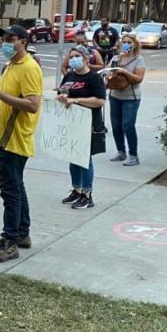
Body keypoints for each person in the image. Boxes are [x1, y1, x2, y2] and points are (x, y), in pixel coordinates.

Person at [0, 25, 43, 262]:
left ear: (23, 42)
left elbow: (32, 104)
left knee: (10, 190)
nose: (6, 43)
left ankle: (10, 241)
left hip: (13, 139)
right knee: (16, 186)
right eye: (4, 39)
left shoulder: (28, 67)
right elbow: (12, 99)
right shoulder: (12, 65)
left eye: (11, 39)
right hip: (3, 138)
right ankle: (21, 233)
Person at [57, 45, 107, 209]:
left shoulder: (94, 78)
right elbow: (62, 93)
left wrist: (76, 101)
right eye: (71, 57)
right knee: (73, 156)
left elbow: (100, 101)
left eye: (77, 56)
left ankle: (87, 194)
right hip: (71, 122)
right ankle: (76, 190)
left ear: (86, 58)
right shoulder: (69, 76)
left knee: (85, 159)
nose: (73, 59)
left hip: (89, 123)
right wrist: (62, 98)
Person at [107, 33, 147, 167]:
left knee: (128, 125)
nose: (127, 44)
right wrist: (113, 68)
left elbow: (138, 79)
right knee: (116, 125)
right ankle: (121, 151)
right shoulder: (116, 58)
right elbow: (107, 72)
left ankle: (133, 155)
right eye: (124, 41)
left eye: (129, 42)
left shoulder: (138, 60)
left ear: (135, 44)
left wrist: (123, 71)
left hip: (131, 97)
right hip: (115, 95)